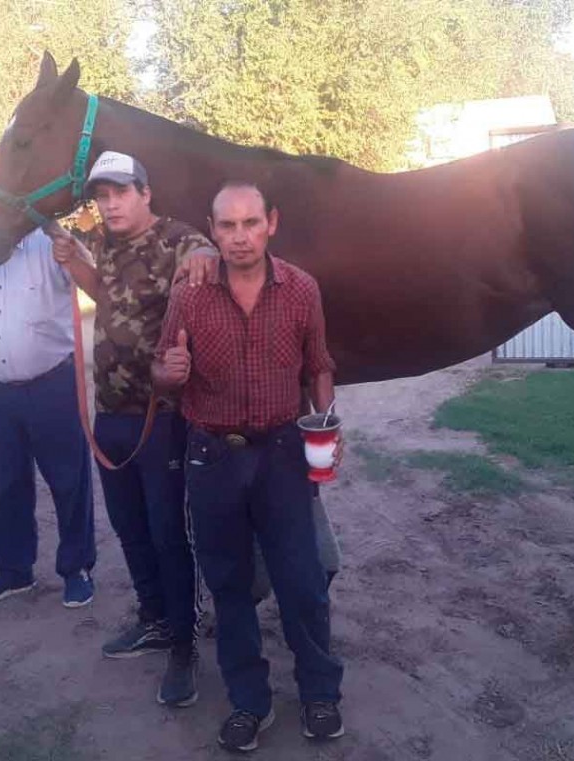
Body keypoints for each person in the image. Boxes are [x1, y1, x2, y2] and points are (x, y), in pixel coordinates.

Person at [153, 181, 345, 752]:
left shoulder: (301, 290)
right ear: (212, 230)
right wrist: (172, 371)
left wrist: (327, 421)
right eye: (228, 226)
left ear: (271, 224)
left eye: (250, 223)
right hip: (211, 456)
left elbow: (320, 365)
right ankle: (249, 702)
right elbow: (161, 373)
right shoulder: (189, 294)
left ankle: (319, 694)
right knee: (229, 585)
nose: (240, 237)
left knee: (302, 581)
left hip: (285, 453)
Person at [51, 151, 217, 707]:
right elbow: (106, 295)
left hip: (162, 418)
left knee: (170, 534)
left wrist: (204, 256)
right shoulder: (103, 243)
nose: (110, 203)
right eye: (102, 195)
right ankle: (154, 619)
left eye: (121, 192)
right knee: (129, 528)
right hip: (111, 413)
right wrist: (73, 263)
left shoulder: (176, 239)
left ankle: (184, 644)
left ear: (146, 193)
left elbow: (204, 251)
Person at [0, 227, 96, 608]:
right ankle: (14, 571)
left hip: (52, 383)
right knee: (3, 485)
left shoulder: (50, 245)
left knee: (69, 480)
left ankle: (76, 568)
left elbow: (94, 279)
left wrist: (68, 244)